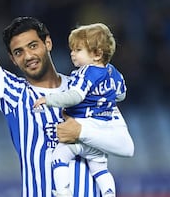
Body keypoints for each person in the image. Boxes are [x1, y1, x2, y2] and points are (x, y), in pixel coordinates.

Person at [0, 0, 133, 197]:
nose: (28, 55)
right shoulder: (12, 93)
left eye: (33, 45)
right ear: (12, 59)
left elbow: (125, 146)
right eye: (19, 52)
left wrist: (81, 132)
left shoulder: (87, 84)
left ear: (48, 44)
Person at [34, 23, 128, 197]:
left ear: (97, 54)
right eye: (72, 49)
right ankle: (109, 193)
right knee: (100, 168)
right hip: (103, 128)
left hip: (84, 127)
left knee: (59, 156)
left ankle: (63, 191)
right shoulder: (113, 72)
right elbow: (121, 94)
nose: (72, 53)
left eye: (78, 50)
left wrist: (49, 100)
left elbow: (75, 96)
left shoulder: (86, 72)